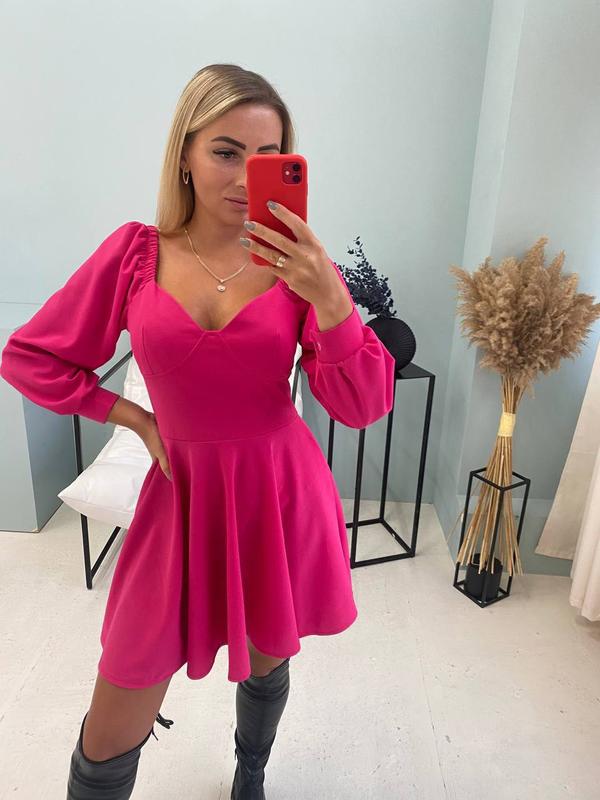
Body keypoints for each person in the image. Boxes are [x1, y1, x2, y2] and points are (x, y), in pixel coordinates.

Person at [0, 63, 396, 799]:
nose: (246, 177)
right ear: (184, 153)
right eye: (225, 151)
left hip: (276, 492)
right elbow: (30, 357)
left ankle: (251, 771)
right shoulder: (134, 254)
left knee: (269, 658)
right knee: (116, 708)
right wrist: (133, 417)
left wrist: (333, 302)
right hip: (177, 497)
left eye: (267, 156)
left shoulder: (300, 267)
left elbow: (363, 405)